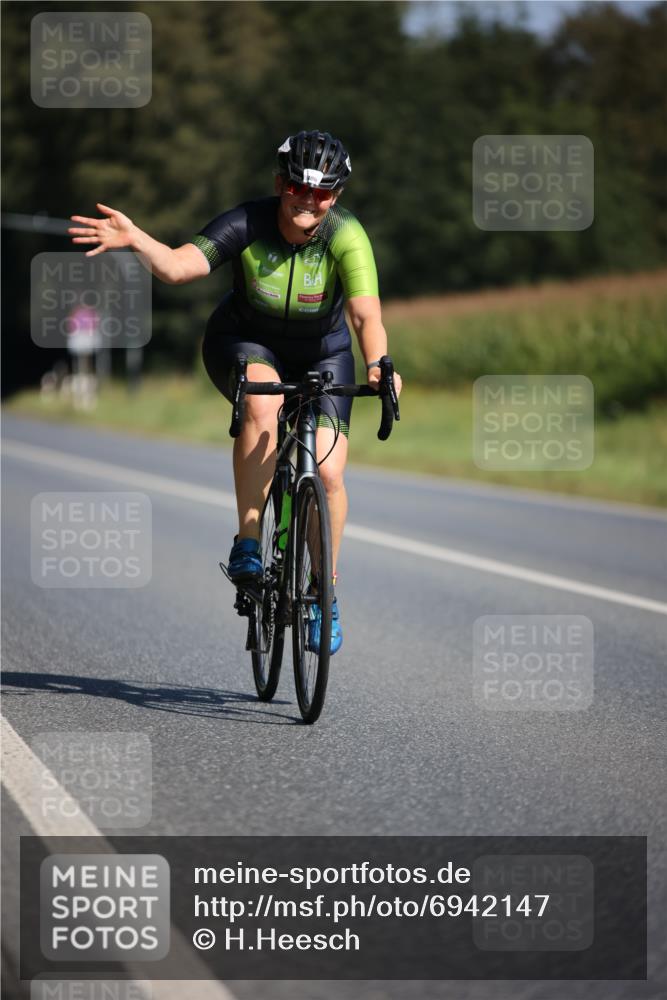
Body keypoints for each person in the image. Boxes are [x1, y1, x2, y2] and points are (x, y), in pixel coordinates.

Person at [69, 130, 401, 655]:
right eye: (297, 188)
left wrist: (381, 363)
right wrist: (137, 238)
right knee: (263, 401)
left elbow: (366, 314)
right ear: (280, 184)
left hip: (323, 351)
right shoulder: (246, 222)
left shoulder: (346, 234)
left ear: (334, 197)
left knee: (331, 473)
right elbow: (180, 267)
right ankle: (249, 539)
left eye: (321, 194)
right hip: (246, 341)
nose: (307, 202)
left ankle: (325, 595)